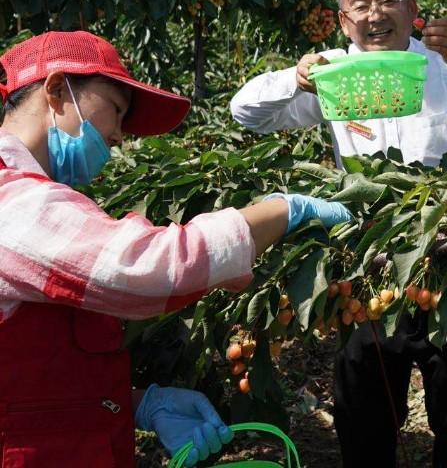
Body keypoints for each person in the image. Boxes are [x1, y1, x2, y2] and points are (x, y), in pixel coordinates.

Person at [0, 30, 351, 468]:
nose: (118, 137)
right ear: (56, 90)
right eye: (116, 111)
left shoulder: (33, 197)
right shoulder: (11, 201)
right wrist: (282, 211)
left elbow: (32, 370)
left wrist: (136, 403)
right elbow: (147, 267)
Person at [230, 0, 447, 468]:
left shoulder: (441, 67)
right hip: (366, 266)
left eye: (388, 1)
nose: (374, 14)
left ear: (413, 10)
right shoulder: (333, 77)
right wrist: (295, 79)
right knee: (364, 411)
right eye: (359, 4)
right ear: (343, 19)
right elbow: (247, 113)